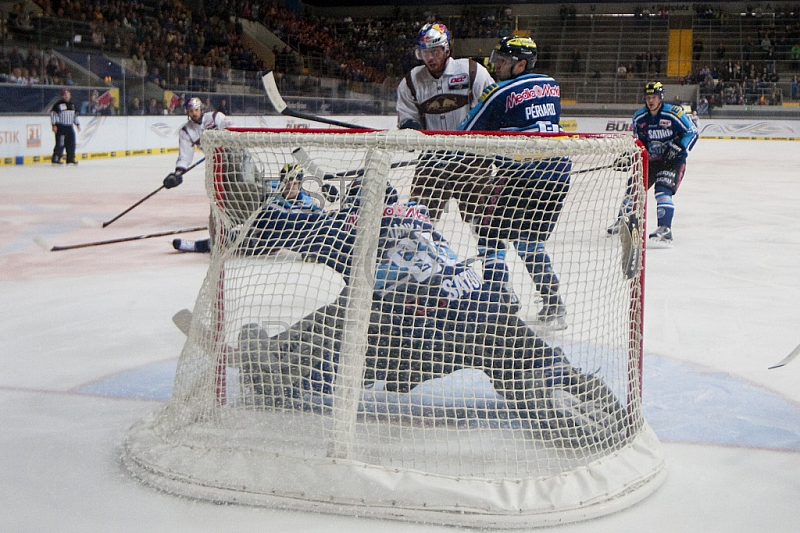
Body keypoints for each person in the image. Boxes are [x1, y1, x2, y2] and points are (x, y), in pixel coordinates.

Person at [233, 183, 624, 447]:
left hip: (424, 336)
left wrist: (260, 195)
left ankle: (279, 366)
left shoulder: (350, 225)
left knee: (347, 310)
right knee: (521, 359)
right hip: (484, 308)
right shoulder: (421, 218)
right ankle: (557, 387)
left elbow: (275, 225)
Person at [457, 36, 571, 329]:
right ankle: (553, 300)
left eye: (503, 61)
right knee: (527, 239)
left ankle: (500, 299)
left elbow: (466, 132)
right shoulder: (552, 85)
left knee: (488, 230)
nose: (495, 65)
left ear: (521, 64)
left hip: (521, 174)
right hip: (557, 177)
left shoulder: (499, 91)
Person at [396, 22, 495, 221]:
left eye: (435, 51)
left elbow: (491, 107)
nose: (430, 58)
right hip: (432, 160)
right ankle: (420, 250)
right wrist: (411, 130)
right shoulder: (411, 81)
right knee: (419, 215)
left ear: (447, 49)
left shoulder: (472, 71)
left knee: (483, 216)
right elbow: (407, 116)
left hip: (472, 159)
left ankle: (491, 251)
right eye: (425, 53)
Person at [608, 81, 698, 247]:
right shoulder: (639, 117)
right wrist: (629, 156)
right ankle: (623, 221)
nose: (651, 100)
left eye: (654, 97)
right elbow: (639, 142)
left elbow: (692, 132)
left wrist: (679, 147)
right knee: (634, 187)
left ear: (660, 98)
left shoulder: (673, 113)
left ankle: (665, 229)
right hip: (651, 161)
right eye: (648, 97)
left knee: (662, 190)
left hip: (673, 161)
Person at [166, 97, 233, 253]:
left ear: (201, 109)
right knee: (217, 193)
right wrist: (177, 174)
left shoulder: (216, 117)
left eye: (196, 110)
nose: (194, 113)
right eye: (190, 111)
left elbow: (233, 128)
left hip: (234, 157)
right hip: (215, 163)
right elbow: (185, 156)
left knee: (238, 187)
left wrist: (224, 143)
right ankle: (222, 221)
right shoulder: (186, 131)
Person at [50, 88, 80, 165]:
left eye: (68, 95)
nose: (66, 96)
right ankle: (56, 158)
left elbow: (75, 116)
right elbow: (53, 114)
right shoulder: (58, 105)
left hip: (69, 127)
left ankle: (70, 159)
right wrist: (54, 125)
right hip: (61, 127)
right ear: (62, 96)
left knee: (71, 143)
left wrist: (77, 124)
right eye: (65, 95)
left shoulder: (72, 105)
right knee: (60, 143)